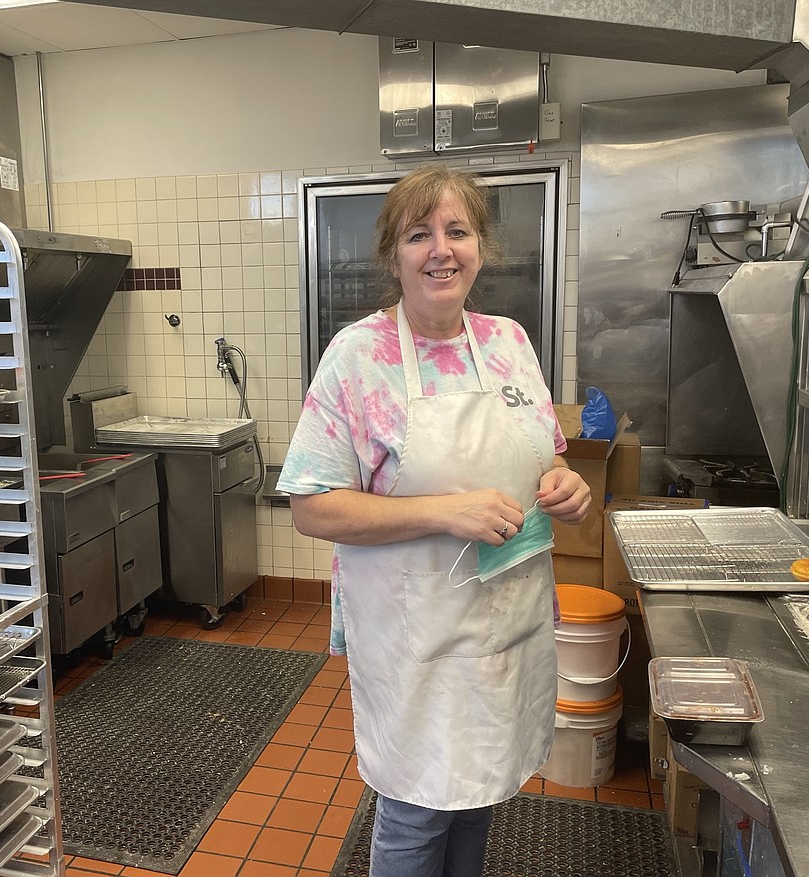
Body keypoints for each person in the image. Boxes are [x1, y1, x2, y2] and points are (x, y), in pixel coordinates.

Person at [276, 164, 591, 877]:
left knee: (477, 792)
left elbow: (549, 460)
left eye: (457, 230)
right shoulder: (358, 357)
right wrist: (445, 511)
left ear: (480, 245)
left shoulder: (509, 341)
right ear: (394, 256)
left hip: (504, 621)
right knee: (419, 810)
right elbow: (311, 505)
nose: (440, 250)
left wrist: (566, 486)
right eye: (420, 235)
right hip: (416, 633)